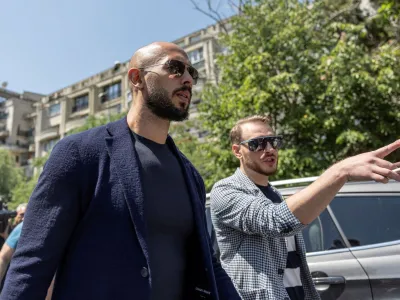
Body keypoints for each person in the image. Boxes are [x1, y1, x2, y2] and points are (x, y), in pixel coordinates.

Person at [1, 42, 241, 300]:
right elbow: (32, 263)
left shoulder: (190, 175)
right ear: (137, 78)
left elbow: (208, 263)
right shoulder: (78, 153)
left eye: (191, 73)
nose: (187, 80)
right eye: (175, 68)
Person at [210, 115, 400, 300]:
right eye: (257, 143)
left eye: (273, 141)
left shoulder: (275, 195)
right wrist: (341, 171)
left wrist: (343, 177)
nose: (268, 149)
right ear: (237, 151)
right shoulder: (225, 191)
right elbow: (275, 220)